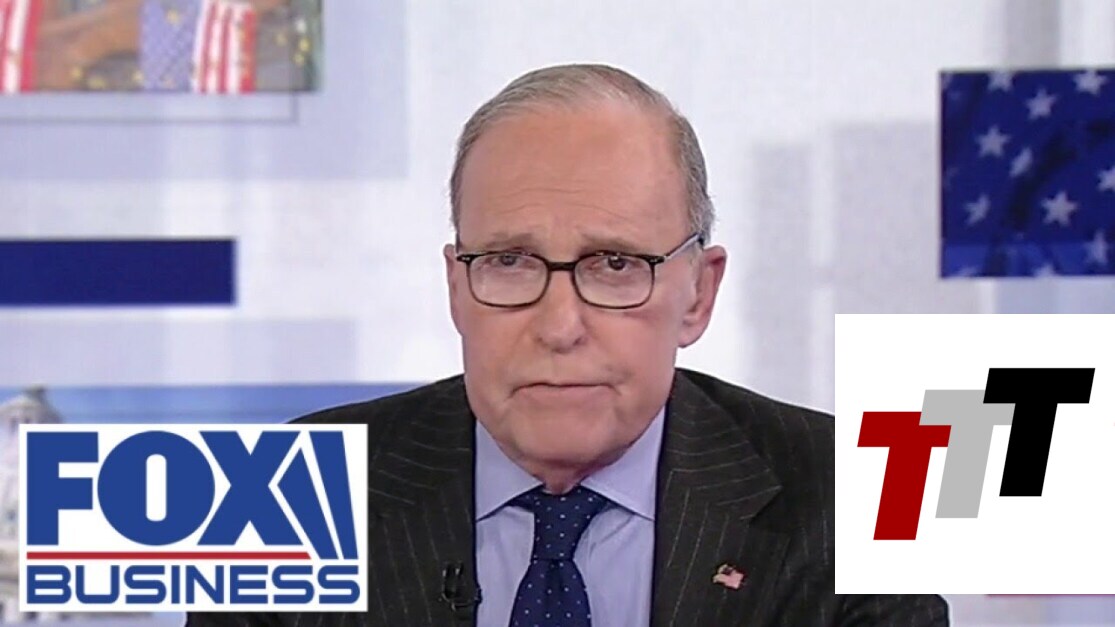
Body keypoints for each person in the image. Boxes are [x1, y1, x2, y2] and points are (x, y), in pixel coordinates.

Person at [188, 64, 949, 626]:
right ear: (456, 287)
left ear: (697, 294)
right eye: (509, 261)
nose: (558, 325)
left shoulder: (853, 503)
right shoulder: (289, 496)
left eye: (615, 265)